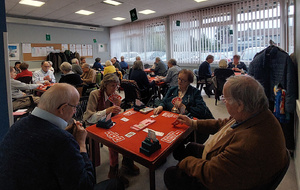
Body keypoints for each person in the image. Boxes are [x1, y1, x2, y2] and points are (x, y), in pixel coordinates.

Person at [164, 75, 288, 190]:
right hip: (229, 162)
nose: (224, 102)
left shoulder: (247, 144)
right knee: (189, 147)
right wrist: (193, 123)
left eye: (225, 99)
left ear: (240, 105)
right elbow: (223, 123)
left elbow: (211, 173)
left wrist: (185, 163)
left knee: (170, 174)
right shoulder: (254, 112)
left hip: (223, 179)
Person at [0, 83, 95, 189]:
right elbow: (85, 185)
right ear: (62, 109)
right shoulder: (62, 140)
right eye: (75, 107)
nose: (75, 111)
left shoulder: (18, 124)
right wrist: (81, 144)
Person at [83, 74, 140, 187]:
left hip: (108, 122)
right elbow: (89, 117)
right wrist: (108, 110)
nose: (115, 89)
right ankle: (113, 170)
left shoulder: (114, 95)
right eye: (112, 86)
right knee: (113, 141)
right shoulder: (95, 94)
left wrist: (117, 107)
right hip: (94, 125)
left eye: (116, 86)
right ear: (105, 85)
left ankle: (127, 161)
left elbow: (114, 117)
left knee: (125, 132)